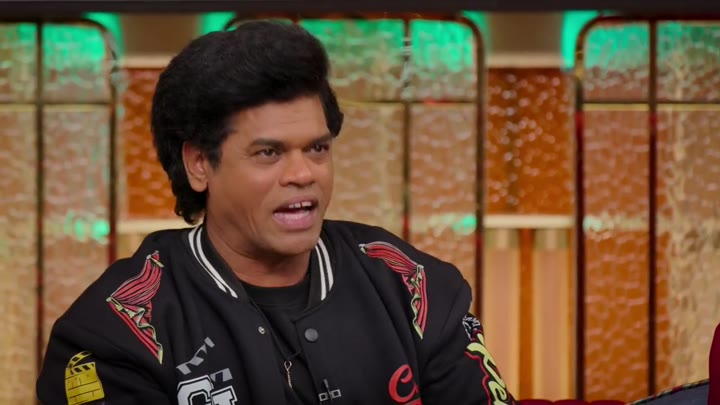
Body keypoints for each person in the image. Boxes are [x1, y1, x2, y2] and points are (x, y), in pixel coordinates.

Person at [37, 20, 516, 405]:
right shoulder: (115, 331)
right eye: (269, 153)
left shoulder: (412, 286)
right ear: (200, 163)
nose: (303, 174)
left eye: (317, 148)